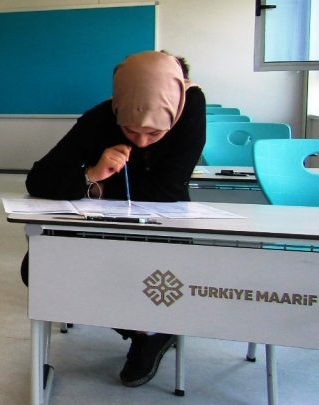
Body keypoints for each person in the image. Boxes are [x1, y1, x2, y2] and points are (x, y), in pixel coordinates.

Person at [23, 50, 206, 387]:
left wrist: (99, 189)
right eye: (130, 131)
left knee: (142, 273)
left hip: (163, 228)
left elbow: (166, 189)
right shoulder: (100, 117)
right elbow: (38, 179)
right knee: (37, 267)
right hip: (103, 227)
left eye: (154, 134)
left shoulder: (190, 108)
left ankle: (151, 330)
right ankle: (144, 332)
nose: (141, 141)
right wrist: (93, 174)